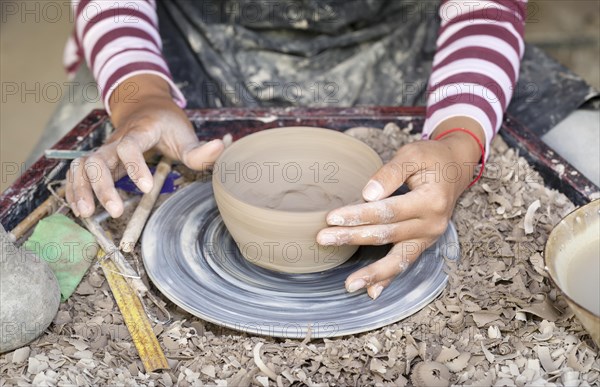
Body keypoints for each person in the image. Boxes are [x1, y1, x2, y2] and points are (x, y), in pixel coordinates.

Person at [65, 0, 527, 299]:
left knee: (584, 140)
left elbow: (485, 9)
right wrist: (140, 98)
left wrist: (459, 141)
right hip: (189, 38)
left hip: (408, 37)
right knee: (80, 159)